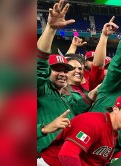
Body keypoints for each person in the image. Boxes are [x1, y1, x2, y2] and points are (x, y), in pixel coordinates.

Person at [36, 0, 77, 153]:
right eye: (56, 70)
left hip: (63, 159)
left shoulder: (65, 95)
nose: (62, 74)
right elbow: (39, 66)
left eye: (65, 71)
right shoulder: (40, 88)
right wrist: (51, 29)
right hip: (41, 161)